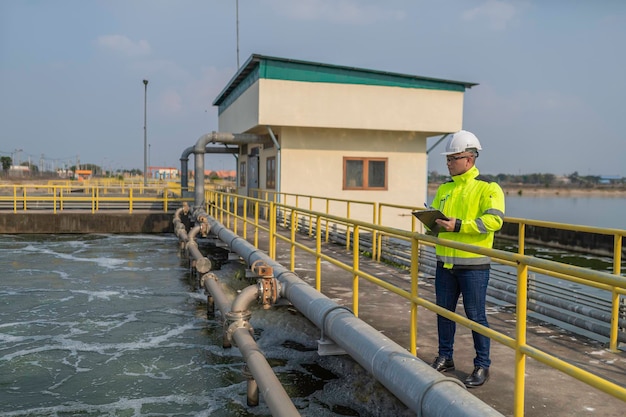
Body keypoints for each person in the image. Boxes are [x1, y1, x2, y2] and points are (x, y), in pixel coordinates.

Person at [429, 130, 505, 388]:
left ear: (469, 159)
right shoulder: (445, 188)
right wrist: (430, 223)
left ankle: (482, 365)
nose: (448, 163)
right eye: (448, 159)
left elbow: (494, 221)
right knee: (443, 313)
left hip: (473, 266)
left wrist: (460, 225)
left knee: (476, 316)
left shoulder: (488, 187)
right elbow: (437, 219)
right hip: (445, 263)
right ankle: (445, 357)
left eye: (454, 158)